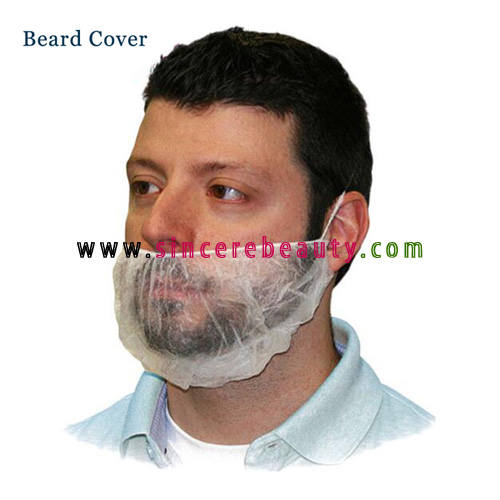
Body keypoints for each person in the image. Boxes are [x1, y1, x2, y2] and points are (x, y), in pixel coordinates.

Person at [67, 27, 434, 470]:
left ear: (337, 233)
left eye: (225, 191)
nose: (157, 226)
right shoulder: (61, 463)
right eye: (146, 186)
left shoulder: (440, 466)